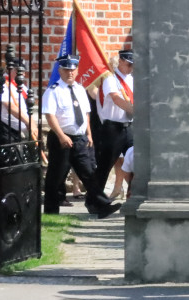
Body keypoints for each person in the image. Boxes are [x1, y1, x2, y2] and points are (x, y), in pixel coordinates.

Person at [42, 55, 119, 218]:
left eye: (73, 69)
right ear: (60, 71)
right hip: (61, 138)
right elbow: (50, 116)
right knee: (56, 176)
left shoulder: (80, 89)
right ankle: (51, 209)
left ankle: (101, 205)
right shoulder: (53, 91)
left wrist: (89, 134)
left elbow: (86, 114)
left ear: (77, 71)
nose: (70, 73)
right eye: (66, 69)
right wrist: (61, 135)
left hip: (80, 138)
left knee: (89, 173)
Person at [93, 49, 134, 201]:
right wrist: (137, 110)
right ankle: (95, 200)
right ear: (121, 61)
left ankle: (134, 195)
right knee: (105, 166)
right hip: (112, 128)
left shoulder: (131, 79)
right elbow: (116, 99)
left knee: (133, 159)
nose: (131, 68)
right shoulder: (111, 79)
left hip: (128, 127)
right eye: (129, 64)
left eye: (133, 65)